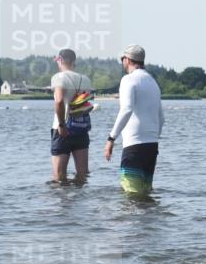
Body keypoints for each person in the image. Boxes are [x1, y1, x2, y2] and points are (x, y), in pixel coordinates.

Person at [104, 45, 164, 195]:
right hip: (151, 146)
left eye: (122, 59)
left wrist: (111, 138)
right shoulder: (152, 82)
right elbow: (161, 118)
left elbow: (126, 109)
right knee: (145, 193)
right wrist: (154, 138)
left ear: (128, 60)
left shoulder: (128, 79)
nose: (122, 62)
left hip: (134, 146)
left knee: (131, 195)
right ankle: (149, 219)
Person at [49, 48, 94, 182]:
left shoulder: (58, 77)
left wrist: (62, 124)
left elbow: (59, 101)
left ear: (60, 60)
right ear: (74, 62)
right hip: (81, 128)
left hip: (63, 129)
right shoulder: (85, 80)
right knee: (82, 174)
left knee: (59, 177)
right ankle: (80, 200)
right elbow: (86, 104)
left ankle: (64, 202)